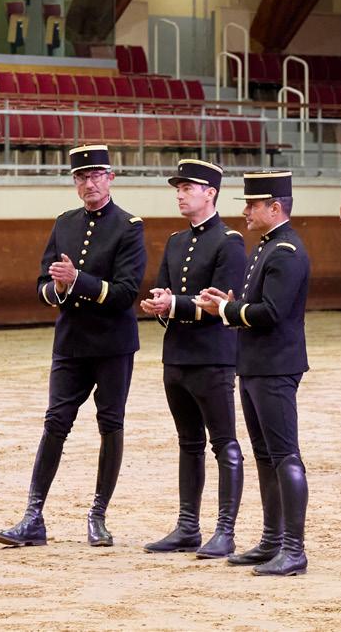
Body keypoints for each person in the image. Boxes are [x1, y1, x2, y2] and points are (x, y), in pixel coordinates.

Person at [0, 144, 147, 548]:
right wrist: (59, 289)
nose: (88, 183)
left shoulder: (129, 226)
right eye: (81, 177)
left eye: (96, 175)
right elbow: (42, 287)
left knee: (110, 424)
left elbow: (126, 293)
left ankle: (98, 516)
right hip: (71, 342)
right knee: (55, 423)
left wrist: (78, 280)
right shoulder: (64, 223)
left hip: (113, 344)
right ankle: (33, 516)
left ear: (110, 178)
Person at [196, 170, 311, 577]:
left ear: (275, 207)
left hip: (275, 367)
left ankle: (293, 549)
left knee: (285, 455)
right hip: (257, 365)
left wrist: (226, 310)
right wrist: (228, 304)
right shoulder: (268, 247)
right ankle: (272, 540)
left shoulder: (286, 251)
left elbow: (272, 312)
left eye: (252, 205)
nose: (245, 211)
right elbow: (255, 305)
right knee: (266, 456)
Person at [140, 159, 247, 558]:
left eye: (188, 188)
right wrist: (160, 303)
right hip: (177, 356)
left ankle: (225, 531)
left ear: (210, 193)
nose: (180, 195)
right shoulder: (175, 241)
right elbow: (164, 290)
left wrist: (173, 304)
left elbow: (220, 305)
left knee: (224, 443)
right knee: (188, 443)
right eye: (178, 189)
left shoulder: (229, 241)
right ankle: (187, 527)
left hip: (213, 357)